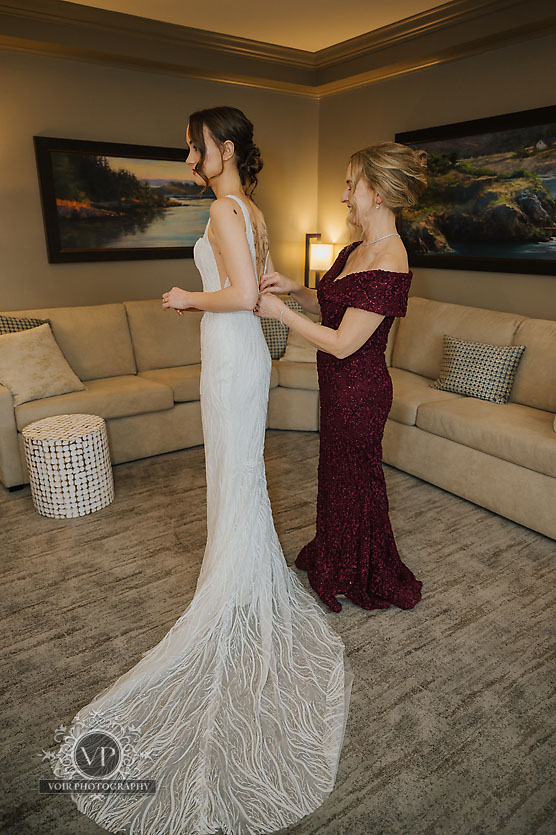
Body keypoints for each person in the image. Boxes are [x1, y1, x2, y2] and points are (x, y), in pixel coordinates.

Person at [48, 106, 353, 835]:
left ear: (225, 149)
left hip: (231, 347)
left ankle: (233, 592)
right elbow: (259, 287)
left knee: (236, 471)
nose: (189, 158)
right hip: (243, 353)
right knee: (240, 472)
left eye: (195, 147)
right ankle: (242, 580)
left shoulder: (223, 208)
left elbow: (244, 296)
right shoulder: (253, 209)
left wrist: (187, 296)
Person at [255, 141, 426, 614]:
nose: (344, 195)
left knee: (355, 481)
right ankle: (337, 557)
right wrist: (295, 289)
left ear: (378, 191)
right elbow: (329, 304)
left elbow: (343, 342)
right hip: (337, 389)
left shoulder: (391, 258)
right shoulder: (356, 249)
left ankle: (361, 570)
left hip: (361, 392)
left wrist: (279, 313)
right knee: (337, 480)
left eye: (352, 185)